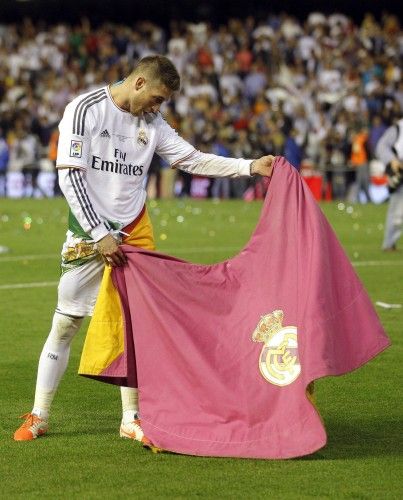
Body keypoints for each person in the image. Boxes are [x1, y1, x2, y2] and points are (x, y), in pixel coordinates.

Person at [13, 55, 274, 445]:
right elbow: (70, 176)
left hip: (134, 233)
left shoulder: (151, 124)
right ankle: (40, 413)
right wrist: (99, 231)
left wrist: (249, 166)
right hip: (89, 234)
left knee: (136, 327)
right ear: (138, 83)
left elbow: (191, 158)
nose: (158, 107)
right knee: (66, 322)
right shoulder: (84, 110)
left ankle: (131, 418)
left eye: (163, 102)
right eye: (156, 98)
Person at [376, 119, 403, 251]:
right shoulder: (398, 128)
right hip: (400, 173)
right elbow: (381, 146)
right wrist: (392, 160)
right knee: (397, 212)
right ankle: (389, 243)